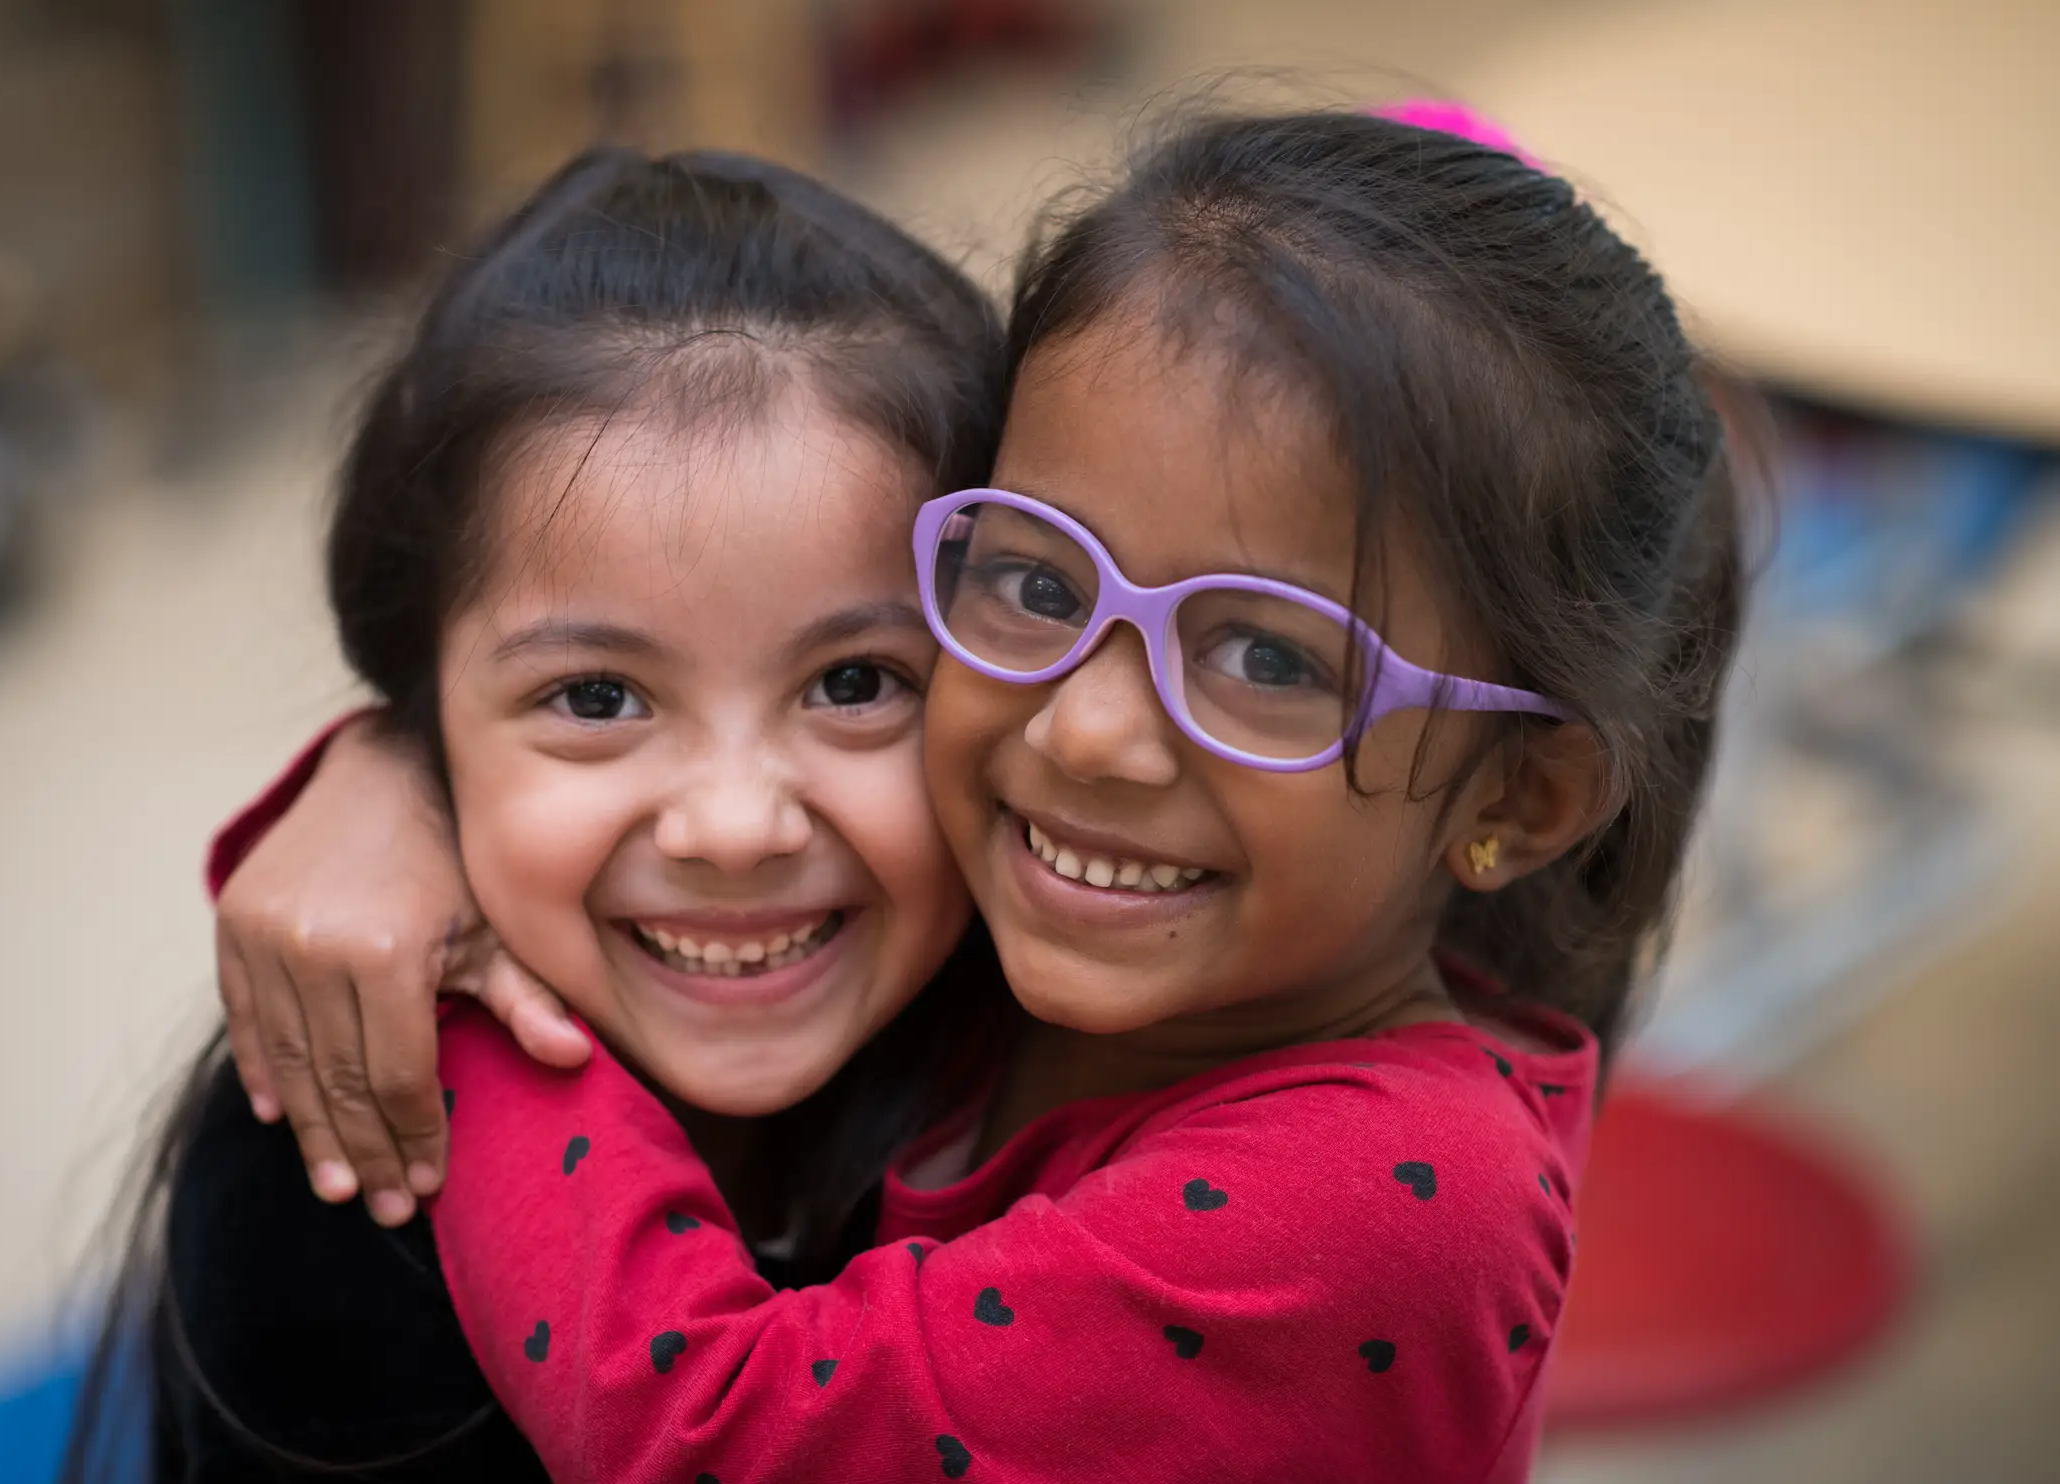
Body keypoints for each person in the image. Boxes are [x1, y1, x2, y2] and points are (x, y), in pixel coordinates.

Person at [203, 105, 1746, 1481]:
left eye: (1270, 663)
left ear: (1524, 798)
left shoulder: (1395, 1207)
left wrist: (448, 991)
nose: (1085, 735)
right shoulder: (1042, 967)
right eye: (1030, 578)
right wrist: (397, 773)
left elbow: (702, 1431)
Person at [61, 143, 1014, 1482]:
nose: (733, 827)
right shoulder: (335, 1166)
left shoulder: (1098, 1039)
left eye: (855, 683)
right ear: (424, 704)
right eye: (598, 696)